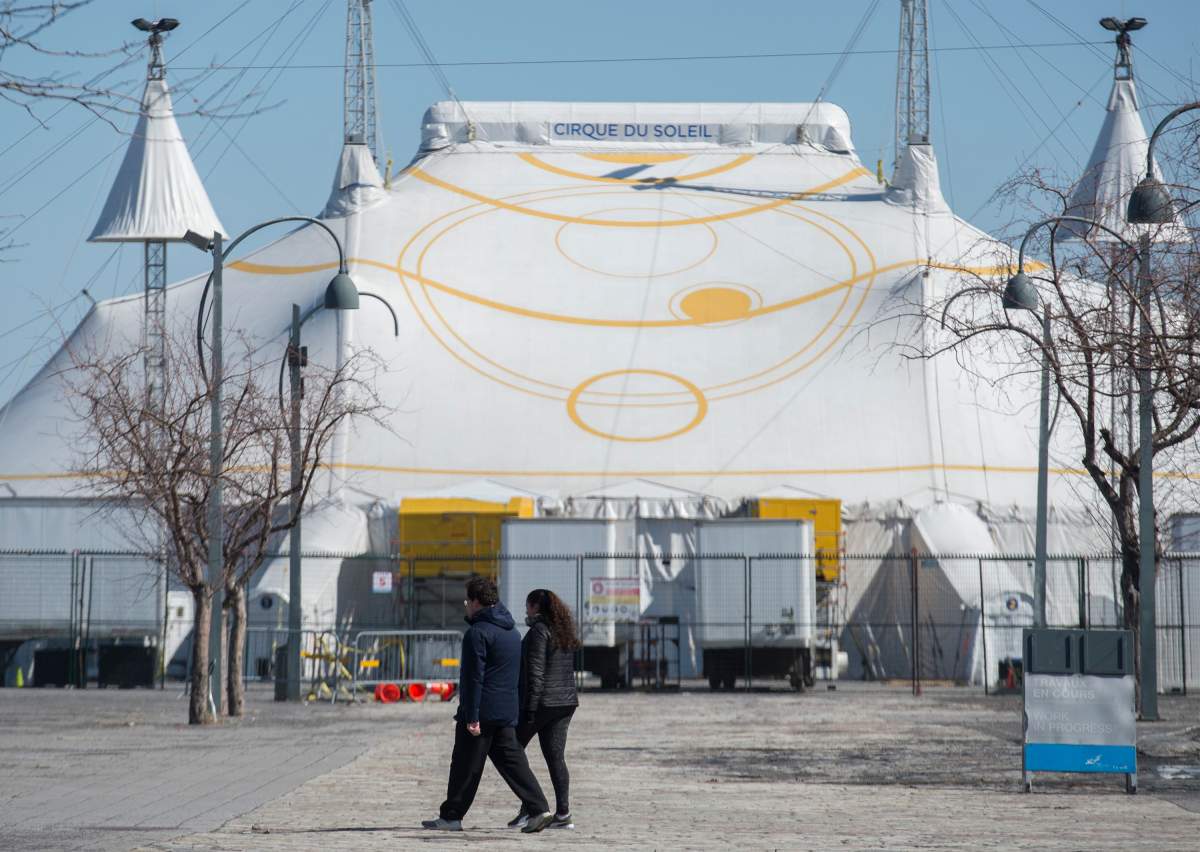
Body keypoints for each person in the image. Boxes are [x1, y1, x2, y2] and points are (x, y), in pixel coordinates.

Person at [422, 577, 554, 833]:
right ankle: (539, 808)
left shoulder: (477, 634)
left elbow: (473, 679)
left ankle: (451, 816)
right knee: (513, 762)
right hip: (505, 710)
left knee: (464, 764)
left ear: (474, 602)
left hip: (481, 711)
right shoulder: (512, 632)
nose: (466, 607)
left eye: (467, 602)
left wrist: (471, 716)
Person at [508, 588, 581, 831]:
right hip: (566, 701)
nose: (525, 610)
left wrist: (528, 710)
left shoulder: (539, 631)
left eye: (527, 606)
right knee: (555, 757)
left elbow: (536, 673)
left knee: (511, 750)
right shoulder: (563, 630)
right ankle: (563, 813)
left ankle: (532, 808)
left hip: (543, 703)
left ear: (535, 607)